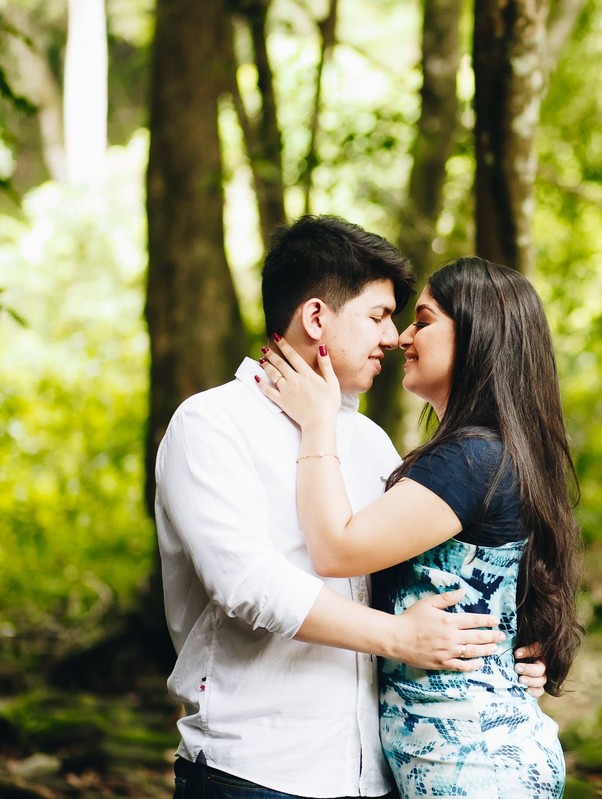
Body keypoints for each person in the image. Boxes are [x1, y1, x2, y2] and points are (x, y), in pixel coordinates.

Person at [155, 217, 547, 799]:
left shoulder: (369, 443)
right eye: (379, 316)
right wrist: (400, 638)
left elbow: (416, 581)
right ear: (317, 318)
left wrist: (496, 654)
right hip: (256, 770)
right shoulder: (212, 423)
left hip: (378, 775)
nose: (393, 337)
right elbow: (247, 583)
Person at [257, 256, 585, 797]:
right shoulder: (490, 453)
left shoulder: (471, 458)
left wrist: (318, 423)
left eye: (424, 320)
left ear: (477, 335)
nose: (402, 336)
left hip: (476, 764)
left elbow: (337, 550)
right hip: (465, 757)